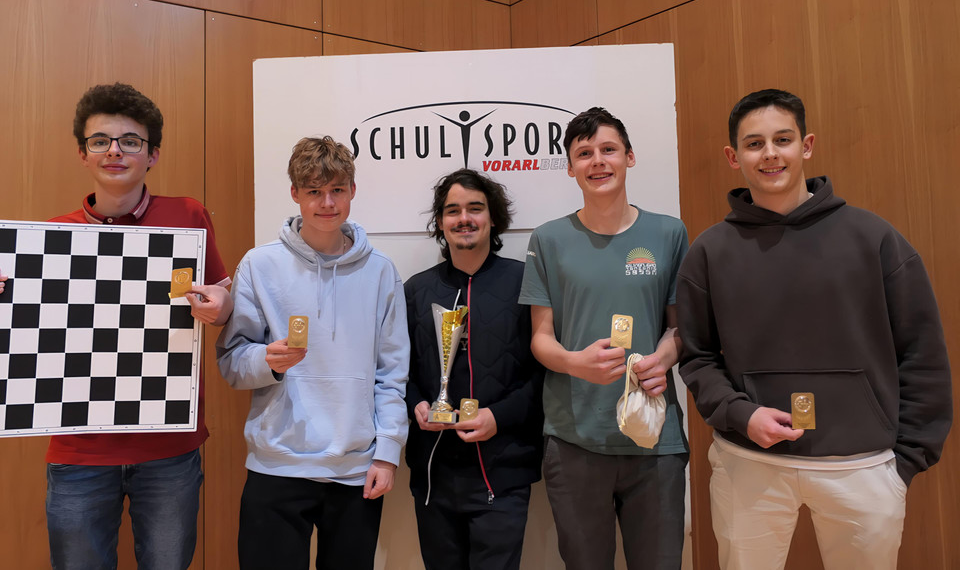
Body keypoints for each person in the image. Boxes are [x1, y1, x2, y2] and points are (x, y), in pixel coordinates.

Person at [0, 82, 233, 570]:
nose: (114, 151)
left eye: (130, 141)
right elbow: (25, 341)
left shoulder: (188, 217)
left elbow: (224, 302)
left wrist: (223, 306)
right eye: (100, 141)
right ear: (82, 154)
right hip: (78, 452)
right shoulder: (49, 238)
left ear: (152, 154)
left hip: (169, 447)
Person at [677, 88, 952, 570]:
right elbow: (697, 356)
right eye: (754, 143)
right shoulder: (709, 251)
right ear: (733, 156)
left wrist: (905, 460)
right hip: (749, 463)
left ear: (806, 146)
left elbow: (922, 350)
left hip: (863, 467)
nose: (770, 154)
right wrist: (741, 415)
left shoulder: (874, 238)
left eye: (782, 139)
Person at [216, 136, 409, 570]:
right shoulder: (259, 265)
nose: (327, 203)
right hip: (276, 466)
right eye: (314, 191)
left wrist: (387, 452)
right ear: (295, 194)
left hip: (355, 469)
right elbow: (231, 361)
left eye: (337, 190)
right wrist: (266, 362)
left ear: (353, 191)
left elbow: (392, 373)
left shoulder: (380, 271)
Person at [518, 107, 689, 570]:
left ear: (629, 157)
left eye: (608, 149)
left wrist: (663, 358)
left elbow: (680, 328)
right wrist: (575, 363)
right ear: (570, 167)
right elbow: (541, 338)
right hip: (575, 439)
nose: (597, 161)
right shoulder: (548, 239)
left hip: (654, 437)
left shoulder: (669, 233)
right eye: (584, 153)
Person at [404, 169, 543, 570]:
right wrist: (416, 405)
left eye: (475, 208)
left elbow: (545, 374)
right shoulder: (416, 290)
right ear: (440, 222)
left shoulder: (525, 283)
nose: (464, 218)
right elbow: (398, 372)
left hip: (503, 471)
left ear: (492, 217)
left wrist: (498, 417)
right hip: (434, 473)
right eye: (452, 210)